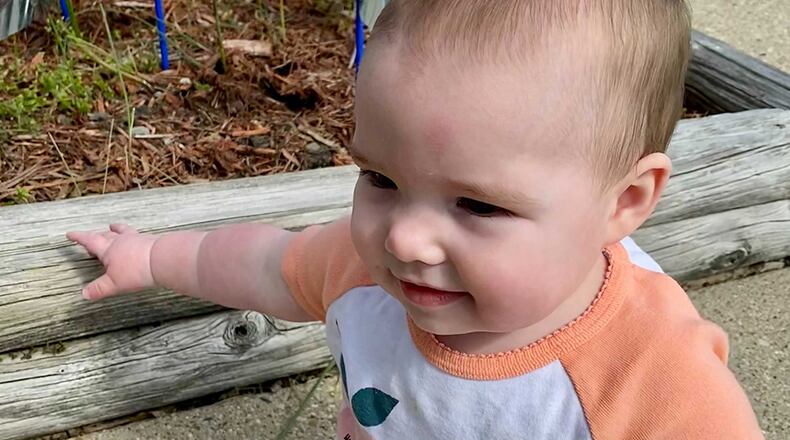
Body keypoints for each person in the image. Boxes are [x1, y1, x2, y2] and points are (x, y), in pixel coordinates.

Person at [67, 0, 763, 438]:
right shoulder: (360, 270)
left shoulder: (654, 381)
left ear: (625, 203)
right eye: (381, 178)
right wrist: (154, 258)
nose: (403, 236)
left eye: (479, 204)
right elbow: (262, 264)